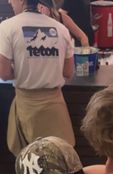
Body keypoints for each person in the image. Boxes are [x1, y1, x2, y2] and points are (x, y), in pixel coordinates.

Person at [0, 0, 76, 157]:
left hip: (27, 108)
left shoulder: (7, 27)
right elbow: (68, 72)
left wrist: (22, 69)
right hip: (55, 106)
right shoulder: (61, 29)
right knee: (58, 160)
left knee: (30, 162)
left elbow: (4, 73)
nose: (8, 1)